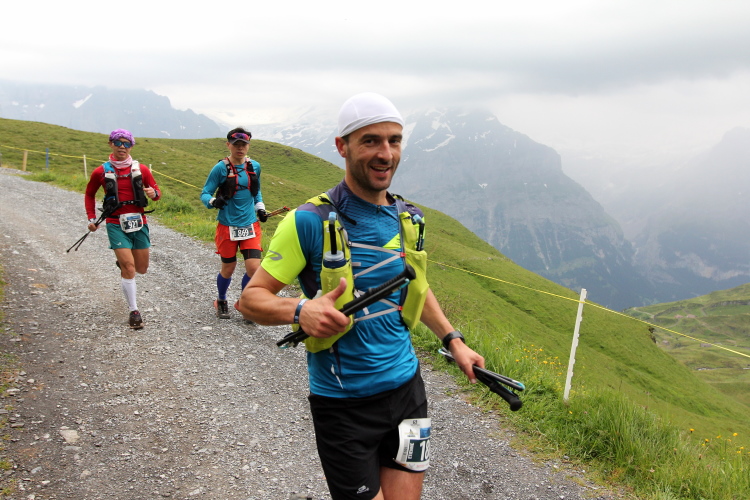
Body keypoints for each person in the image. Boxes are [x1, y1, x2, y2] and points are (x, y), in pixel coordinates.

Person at [240, 93, 485, 500]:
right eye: (370, 140)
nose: (385, 153)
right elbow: (251, 300)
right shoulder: (308, 221)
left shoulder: (409, 218)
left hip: (408, 394)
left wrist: (453, 340)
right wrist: (300, 310)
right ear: (342, 146)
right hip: (343, 406)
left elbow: (416, 287)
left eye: (394, 140)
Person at [84, 129, 161, 329]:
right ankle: (134, 311)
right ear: (111, 144)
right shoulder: (100, 172)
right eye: (118, 142)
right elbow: (89, 194)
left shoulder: (142, 170)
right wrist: (91, 218)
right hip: (115, 222)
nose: (122, 147)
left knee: (141, 268)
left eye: (127, 143)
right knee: (129, 268)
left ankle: (125, 264)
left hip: (138, 221)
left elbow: (157, 193)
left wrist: (153, 193)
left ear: (131, 147)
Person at [200, 127, 266, 319]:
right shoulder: (220, 168)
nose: (240, 148)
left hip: (250, 225)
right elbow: (205, 193)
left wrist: (260, 208)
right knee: (228, 269)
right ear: (228, 145)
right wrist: (213, 202)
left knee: (254, 268)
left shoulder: (254, 166)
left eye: (244, 144)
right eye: (236, 144)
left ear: (248, 146)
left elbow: (256, 191)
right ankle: (221, 300)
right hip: (227, 226)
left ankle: (244, 302)